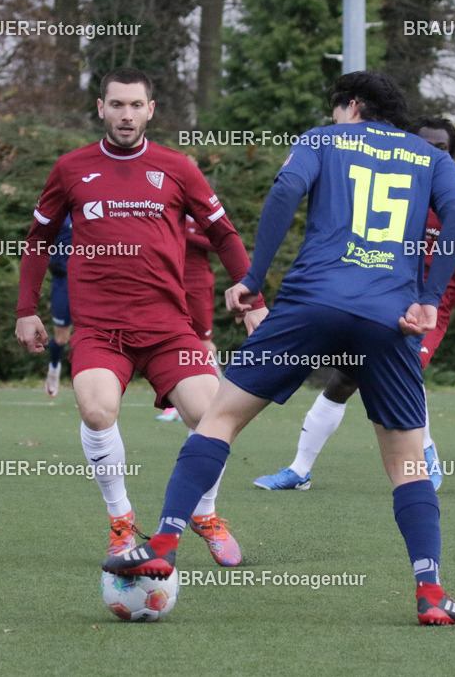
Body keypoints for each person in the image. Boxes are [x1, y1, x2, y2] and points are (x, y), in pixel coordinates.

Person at [104, 71, 455, 625]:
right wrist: (427, 296)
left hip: (310, 304)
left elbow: (284, 192)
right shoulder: (431, 157)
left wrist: (254, 278)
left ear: (352, 106)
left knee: (219, 421)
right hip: (389, 318)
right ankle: (429, 592)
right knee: (406, 463)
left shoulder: (320, 140)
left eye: (336, 110)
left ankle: (163, 544)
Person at [15, 67, 267, 565]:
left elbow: (225, 235)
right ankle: (121, 522)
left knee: (214, 415)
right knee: (96, 409)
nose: (126, 115)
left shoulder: (177, 168)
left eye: (135, 105)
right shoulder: (71, 168)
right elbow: (39, 239)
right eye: (117, 105)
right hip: (101, 328)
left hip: (168, 326)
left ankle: (204, 512)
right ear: (101, 108)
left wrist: (254, 300)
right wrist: (26, 309)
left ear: (151, 110)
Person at [253, 117, 455, 491]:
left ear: (453, 158)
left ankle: (426, 453)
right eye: (425, 146)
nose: (432, 153)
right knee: (342, 381)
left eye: (441, 149)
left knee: (404, 370)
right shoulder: (395, 191)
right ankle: (299, 470)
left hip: (428, 311)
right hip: (380, 300)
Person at [158, 219, 220, 421]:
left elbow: (219, 243)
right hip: (171, 283)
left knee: (204, 345)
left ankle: (221, 398)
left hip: (199, 284)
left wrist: (189, 237)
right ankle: (178, 403)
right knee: (173, 341)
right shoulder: (167, 209)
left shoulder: (203, 211)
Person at [44, 216, 73, 397]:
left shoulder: (96, 204)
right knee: (62, 338)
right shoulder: (57, 210)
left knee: (94, 335)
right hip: (63, 280)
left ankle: (92, 386)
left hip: (91, 279)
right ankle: (54, 367)